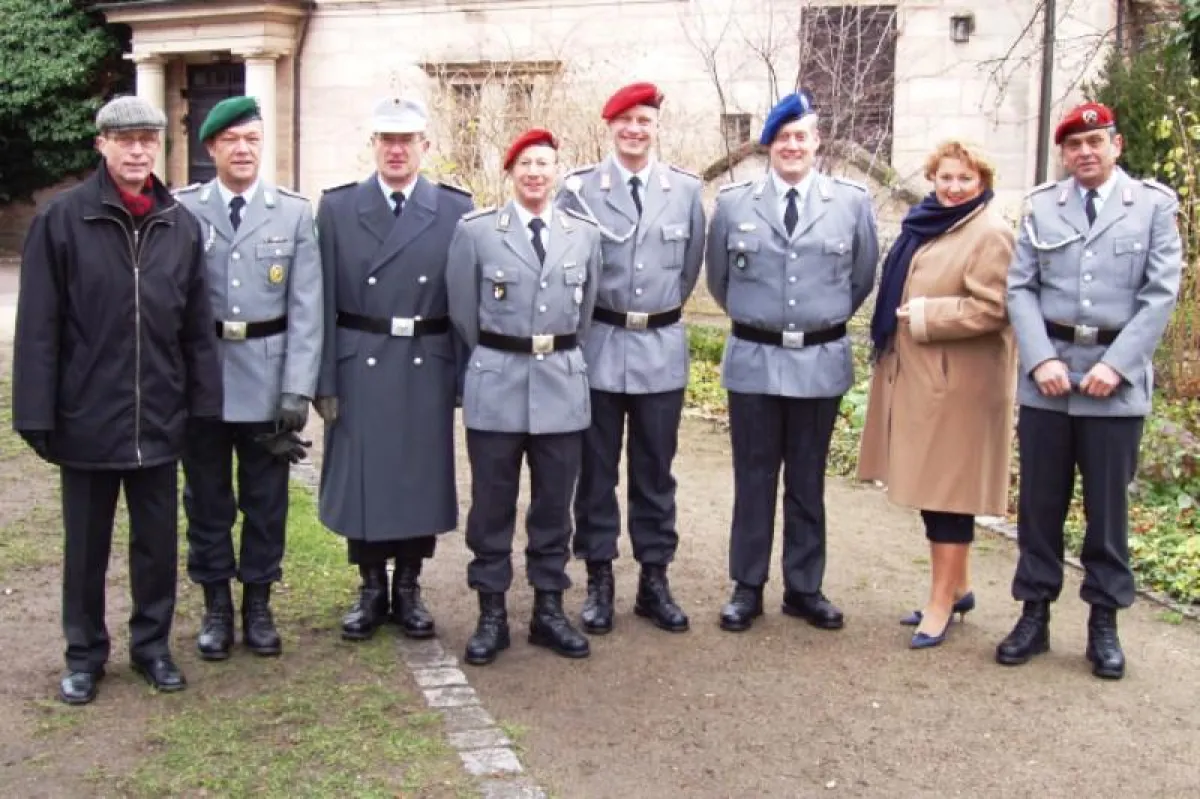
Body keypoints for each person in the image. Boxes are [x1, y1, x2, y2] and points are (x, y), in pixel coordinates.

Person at [12, 96, 222, 704]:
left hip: (159, 416)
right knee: (86, 547)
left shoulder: (178, 225)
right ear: (101, 144)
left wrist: (202, 406)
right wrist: (36, 413)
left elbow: (194, 327)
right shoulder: (63, 220)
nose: (137, 151)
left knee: (157, 544)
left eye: (147, 141)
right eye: (124, 139)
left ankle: (152, 646)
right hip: (87, 417)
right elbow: (39, 327)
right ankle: (84, 655)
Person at [999, 102, 1182, 680]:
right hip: (1048, 380)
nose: (1084, 152)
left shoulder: (1152, 207)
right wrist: (1040, 358)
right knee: (1038, 507)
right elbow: (1020, 289)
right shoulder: (1040, 207)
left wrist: (1119, 365)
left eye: (1095, 141)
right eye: (1074, 144)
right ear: (1064, 153)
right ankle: (1034, 614)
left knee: (1107, 512)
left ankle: (1104, 622)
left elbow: (1160, 294)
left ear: (1116, 145)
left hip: (1114, 385)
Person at [705, 90, 879, 633]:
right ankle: (747, 586)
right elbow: (719, 279)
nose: (793, 146)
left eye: (801, 136)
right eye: (783, 138)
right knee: (753, 479)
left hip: (819, 360)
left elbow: (861, 277)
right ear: (769, 147)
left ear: (817, 142)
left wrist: (815, 325)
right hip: (755, 359)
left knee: (807, 481)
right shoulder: (735, 204)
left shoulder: (851, 202)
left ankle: (805, 588)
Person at [314, 97, 473, 642]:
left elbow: (466, 302)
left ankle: (409, 584)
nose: (397, 149)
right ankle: (370, 585)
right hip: (361, 359)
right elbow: (323, 304)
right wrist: (325, 380)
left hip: (427, 360)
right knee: (364, 478)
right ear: (374, 145)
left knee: (418, 477)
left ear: (425, 147)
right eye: (387, 139)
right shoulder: (337, 209)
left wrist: (463, 377)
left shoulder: (455, 208)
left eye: (407, 140)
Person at [446, 128, 602, 665]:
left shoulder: (582, 234)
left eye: (544, 163)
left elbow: (583, 319)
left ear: (557, 171)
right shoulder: (477, 232)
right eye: (525, 164)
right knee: (491, 505)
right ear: (509, 173)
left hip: (560, 382)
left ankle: (549, 610)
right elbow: (463, 314)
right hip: (497, 381)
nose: (535, 172)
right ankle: (491, 612)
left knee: (555, 506)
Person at [175, 96, 323, 661]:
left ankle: (258, 603)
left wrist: (297, 387)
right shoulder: (183, 209)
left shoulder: (291, 212)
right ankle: (215, 605)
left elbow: (307, 307)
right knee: (207, 499)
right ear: (210, 147)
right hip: (205, 378)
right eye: (231, 140)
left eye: (252, 139)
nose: (243, 149)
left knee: (266, 501)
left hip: (266, 376)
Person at [557, 82, 705, 636]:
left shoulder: (685, 191)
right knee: (595, 474)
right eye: (625, 122)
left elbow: (688, 272)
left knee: (655, 473)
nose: (635, 131)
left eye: (644, 120)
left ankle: (653, 580)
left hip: (660, 350)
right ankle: (599, 578)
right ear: (610, 127)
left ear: (656, 126)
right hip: (598, 346)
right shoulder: (578, 190)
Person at [857, 140, 1016, 649]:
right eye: (944, 178)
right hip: (926, 380)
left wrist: (926, 315)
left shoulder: (990, 232)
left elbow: (995, 309)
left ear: (982, 182)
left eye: (964, 180)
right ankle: (961, 587)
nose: (952, 188)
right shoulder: (930, 222)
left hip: (961, 387)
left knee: (949, 497)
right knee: (938, 492)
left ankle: (941, 603)